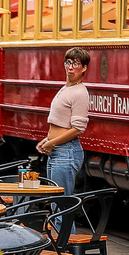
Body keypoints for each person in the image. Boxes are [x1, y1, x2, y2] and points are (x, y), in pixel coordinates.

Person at [37, 47, 90, 199]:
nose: (71, 67)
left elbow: (78, 128)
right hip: (57, 150)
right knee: (57, 205)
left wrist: (51, 143)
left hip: (66, 152)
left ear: (84, 68)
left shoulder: (80, 92)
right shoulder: (66, 89)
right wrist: (47, 141)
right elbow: (60, 123)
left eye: (76, 63)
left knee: (61, 205)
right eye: (68, 62)